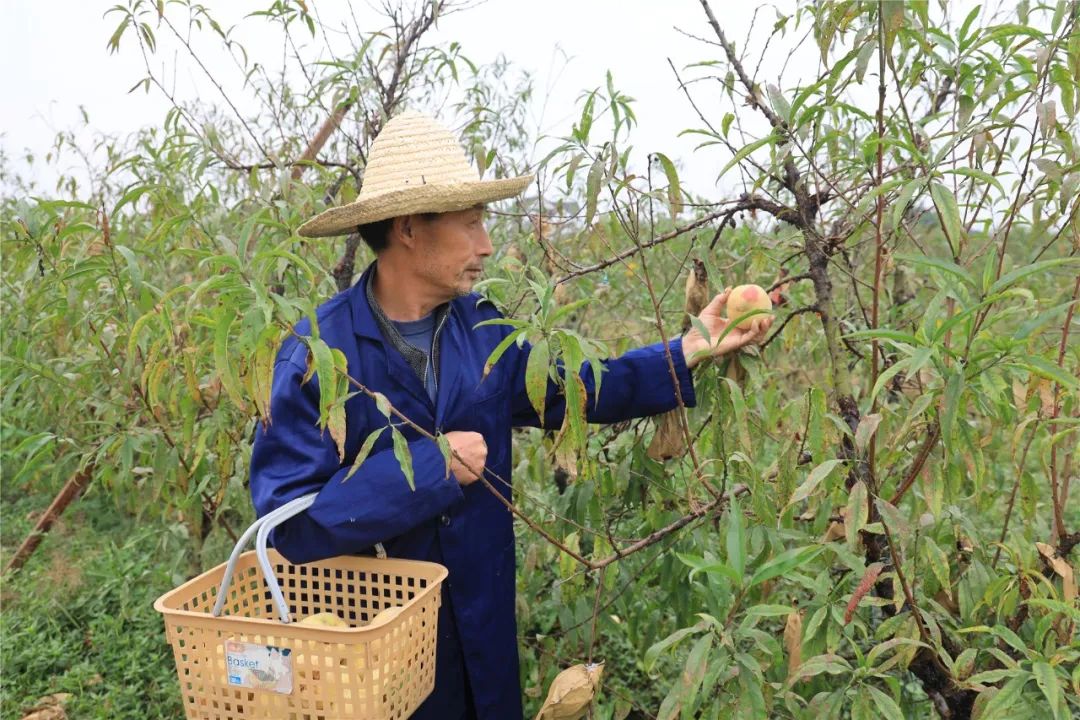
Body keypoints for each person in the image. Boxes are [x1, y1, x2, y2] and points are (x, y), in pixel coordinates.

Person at [249, 110, 772, 719]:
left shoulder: (483, 327)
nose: (486, 245)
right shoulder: (317, 355)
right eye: (470, 224)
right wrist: (431, 469)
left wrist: (689, 348)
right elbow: (289, 525)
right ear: (411, 229)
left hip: (485, 633)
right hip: (379, 658)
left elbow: (572, 389)